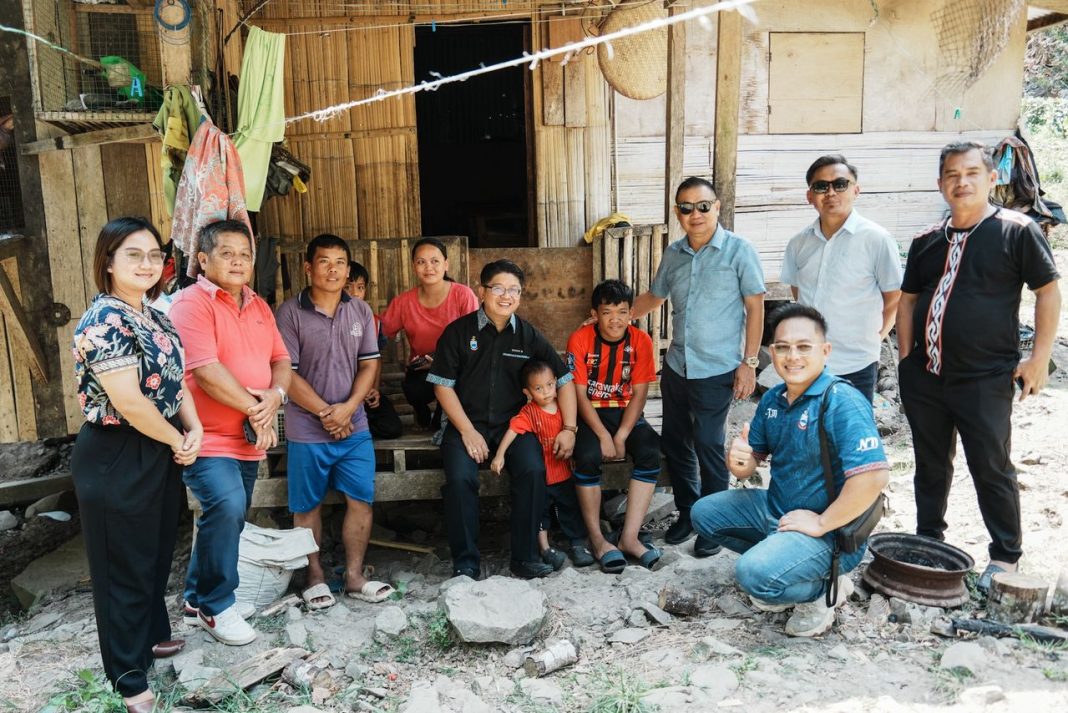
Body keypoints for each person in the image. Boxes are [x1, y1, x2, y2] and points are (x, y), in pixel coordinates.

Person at [897, 141, 1062, 591]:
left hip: (985, 377)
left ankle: (1005, 555)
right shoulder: (926, 240)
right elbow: (908, 300)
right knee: (930, 462)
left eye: (972, 173)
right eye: (952, 174)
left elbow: (1047, 291)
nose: (962, 182)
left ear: (992, 179)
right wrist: (907, 359)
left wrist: (1038, 359)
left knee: (990, 463)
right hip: (925, 376)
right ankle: (928, 537)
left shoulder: (1016, 230)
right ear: (940, 184)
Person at [71, 217, 203, 713]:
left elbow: (177, 381)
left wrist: (194, 428)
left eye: (153, 255)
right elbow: (128, 402)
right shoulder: (104, 320)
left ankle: (149, 638)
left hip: (158, 446)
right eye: (133, 254)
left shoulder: (155, 316)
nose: (147, 264)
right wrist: (177, 438)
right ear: (108, 262)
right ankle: (128, 678)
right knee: (122, 565)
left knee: (153, 551)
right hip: (116, 452)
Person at [692, 304, 889, 637]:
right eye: (783, 347)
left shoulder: (841, 400)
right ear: (772, 353)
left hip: (832, 532)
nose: (792, 356)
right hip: (780, 513)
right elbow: (747, 466)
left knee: (753, 575)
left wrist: (822, 522)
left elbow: (874, 477)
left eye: (804, 347)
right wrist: (739, 459)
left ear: (825, 351)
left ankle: (822, 590)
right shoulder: (774, 399)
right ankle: (787, 566)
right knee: (704, 514)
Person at [169, 219, 292, 646]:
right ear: (203, 260)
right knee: (227, 506)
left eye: (245, 254)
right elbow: (205, 372)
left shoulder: (258, 305)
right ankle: (216, 606)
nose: (238, 262)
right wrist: (260, 412)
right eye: (227, 253)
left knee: (227, 517)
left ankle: (194, 599)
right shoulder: (191, 303)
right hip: (205, 437)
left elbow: (281, 360)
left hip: (247, 436)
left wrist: (276, 396)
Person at [631, 176, 765, 556]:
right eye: (687, 208)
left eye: (703, 206)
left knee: (707, 443)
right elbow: (655, 296)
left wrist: (749, 363)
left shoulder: (738, 250)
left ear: (717, 207)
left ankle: (715, 522)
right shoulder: (674, 253)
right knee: (676, 442)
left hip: (717, 368)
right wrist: (619, 316)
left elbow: (755, 306)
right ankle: (690, 513)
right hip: (678, 366)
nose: (696, 214)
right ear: (678, 213)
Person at [428, 259, 577, 579]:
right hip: (464, 423)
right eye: (498, 288)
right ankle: (466, 562)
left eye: (514, 290)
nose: (506, 296)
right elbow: (442, 386)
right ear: (482, 291)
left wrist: (569, 428)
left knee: (533, 470)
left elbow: (564, 378)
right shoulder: (458, 332)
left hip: (514, 425)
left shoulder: (527, 335)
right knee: (460, 479)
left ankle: (524, 557)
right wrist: (467, 431)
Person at [276, 235, 395, 608]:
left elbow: (369, 364)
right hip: (307, 429)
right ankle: (314, 577)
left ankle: (355, 576)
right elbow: (287, 374)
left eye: (340, 262)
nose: (333, 270)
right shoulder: (289, 313)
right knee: (306, 507)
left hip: (354, 427)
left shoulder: (360, 311)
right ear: (308, 267)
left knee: (361, 500)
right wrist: (328, 413)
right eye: (324, 262)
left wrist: (348, 409)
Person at [780, 154, 902, 402]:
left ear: (856, 190)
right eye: (821, 186)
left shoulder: (877, 239)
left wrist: (874, 338)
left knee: (850, 426)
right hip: (807, 362)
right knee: (806, 425)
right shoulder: (798, 243)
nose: (831, 193)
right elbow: (798, 292)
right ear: (810, 196)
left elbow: (894, 298)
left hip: (856, 363)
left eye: (840, 184)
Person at [566, 279, 661, 573]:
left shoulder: (641, 340)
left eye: (622, 312)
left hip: (625, 413)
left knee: (650, 451)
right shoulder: (580, 339)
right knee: (587, 456)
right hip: (590, 414)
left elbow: (640, 393)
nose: (615, 320)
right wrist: (603, 435)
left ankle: (629, 538)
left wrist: (621, 435)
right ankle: (597, 540)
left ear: (631, 312)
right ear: (595, 314)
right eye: (607, 312)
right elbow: (579, 394)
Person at [490, 360, 589, 570]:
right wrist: (499, 455)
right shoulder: (530, 412)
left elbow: (576, 432)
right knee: (541, 513)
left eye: (550, 385)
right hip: (543, 477)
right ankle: (545, 549)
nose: (546, 392)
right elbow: (513, 430)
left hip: (563, 473)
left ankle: (578, 544)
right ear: (527, 392)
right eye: (538, 388)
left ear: (556, 383)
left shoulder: (564, 408)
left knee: (570, 509)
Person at [381, 238, 479, 428]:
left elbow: (474, 338)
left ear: (446, 264)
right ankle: (422, 410)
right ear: (414, 266)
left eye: (435, 261)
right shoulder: (404, 302)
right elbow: (382, 329)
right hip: (422, 369)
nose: (428, 267)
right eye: (421, 262)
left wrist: (442, 360)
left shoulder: (463, 295)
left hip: (456, 368)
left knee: (439, 425)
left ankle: (443, 414)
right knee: (413, 390)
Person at [347, 260, 403, 440]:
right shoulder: (326, 319)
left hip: (363, 391)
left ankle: (357, 429)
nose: (355, 293)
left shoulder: (373, 321)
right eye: (348, 287)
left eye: (360, 287)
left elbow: (375, 360)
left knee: (392, 428)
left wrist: (374, 389)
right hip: (337, 395)